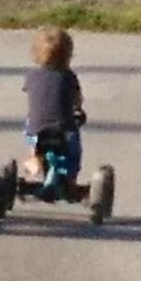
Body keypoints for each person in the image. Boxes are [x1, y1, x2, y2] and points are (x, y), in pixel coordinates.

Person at [22, 27, 84, 199]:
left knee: (31, 127)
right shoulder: (69, 77)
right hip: (64, 130)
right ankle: (70, 181)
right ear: (68, 55)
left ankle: (35, 159)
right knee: (73, 151)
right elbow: (77, 100)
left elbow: (32, 95)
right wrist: (78, 110)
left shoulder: (31, 75)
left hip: (37, 128)